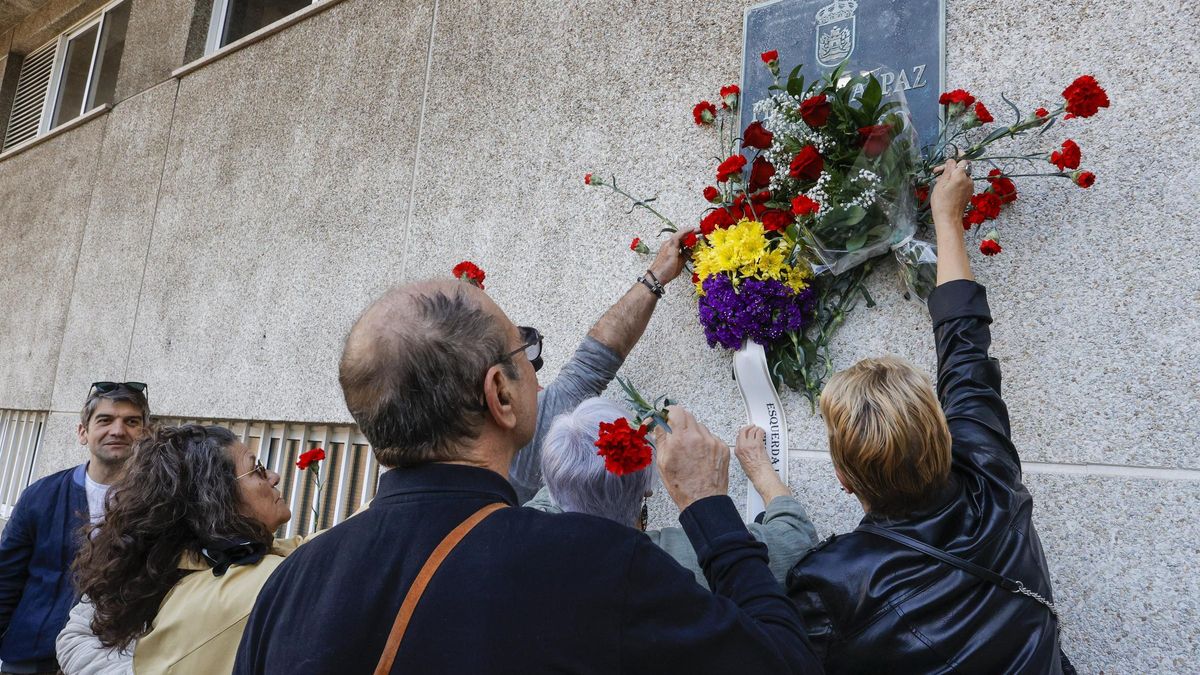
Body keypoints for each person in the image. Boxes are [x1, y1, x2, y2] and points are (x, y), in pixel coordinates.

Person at [235, 279, 822, 673]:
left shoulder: (289, 586)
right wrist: (706, 505)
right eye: (529, 355)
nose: (539, 376)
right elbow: (784, 662)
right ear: (500, 394)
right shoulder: (592, 562)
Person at [786, 158, 1066, 672]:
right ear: (943, 433)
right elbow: (964, 350)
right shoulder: (990, 474)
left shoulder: (830, 582)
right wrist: (948, 219)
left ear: (844, 479)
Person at [57, 424, 298, 673]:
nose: (274, 476)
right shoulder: (151, 561)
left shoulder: (261, 555)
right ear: (217, 494)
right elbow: (77, 636)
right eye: (256, 470)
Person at [526, 396, 818, 585]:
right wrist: (757, 473)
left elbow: (570, 479)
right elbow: (796, 539)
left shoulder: (523, 537)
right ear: (647, 490)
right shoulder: (675, 562)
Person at [508, 229, 696, 503]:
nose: (539, 382)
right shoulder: (520, 443)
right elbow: (589, 368)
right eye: (527, 357)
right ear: (495, 391)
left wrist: (656, 277)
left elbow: (590, 366)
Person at [0, 382, 149, 675]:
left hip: (108, 661)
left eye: (131, 422)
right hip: (30, 657)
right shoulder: (40, 496)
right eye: (105, 420)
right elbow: (6, 580)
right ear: (83, 432)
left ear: (145, 433)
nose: (118, 430)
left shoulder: (157, 505)